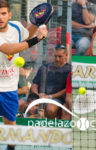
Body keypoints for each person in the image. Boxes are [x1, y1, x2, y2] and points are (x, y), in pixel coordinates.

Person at [0, 1, 47, 150]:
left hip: (9, 89)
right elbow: (8, 49)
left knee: (11, 129)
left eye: (3, 14)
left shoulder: (16, 27)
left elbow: (27, 33)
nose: (0, 17)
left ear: (9, 15)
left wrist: (39, 23)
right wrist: (37, 39)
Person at [30, 44, 71, 119]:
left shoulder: (70, 69)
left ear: (66, 55)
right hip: (39, 97)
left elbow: (67, 90)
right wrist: (36, 95)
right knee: (19, 104)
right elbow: (34, 84)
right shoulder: (44, 67)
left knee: (50, 109)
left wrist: (49, 97)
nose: (57, 59)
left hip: (56, 99)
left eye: (60, 56)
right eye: (55, 56)